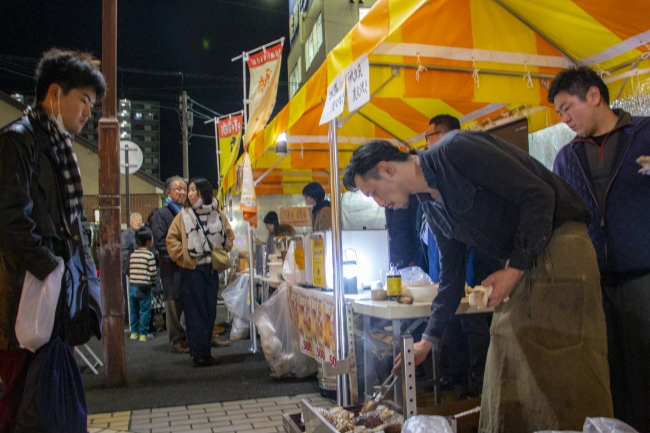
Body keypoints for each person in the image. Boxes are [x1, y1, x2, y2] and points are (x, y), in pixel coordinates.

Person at [343, 135, 612, 431]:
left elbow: (540, 196)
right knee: (507, 367)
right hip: (524, 260)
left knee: (567, 370)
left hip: (560, 247)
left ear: (387, 169)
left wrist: (513, 271)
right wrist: (428, 339)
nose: (382, 204)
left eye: (374, 193)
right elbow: (452, 275)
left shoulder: (456, 150)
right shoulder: (429, 203)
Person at [0, 48, 105, 432]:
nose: (88, 112)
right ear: (55, 93)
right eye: (84, 101)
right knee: (19, 404)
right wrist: (52, 268)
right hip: (23, 305)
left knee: (47, 404)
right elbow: (10, 220)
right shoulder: (18, 141)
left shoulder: (58, 147)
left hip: (55, 305)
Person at [549, 66, 650, 432]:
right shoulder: (565, 158)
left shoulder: (645, 134)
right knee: (607, 373)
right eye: (559, 113)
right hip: (595, 282)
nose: (565, 119)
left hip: (645, 276)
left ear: (594, 95)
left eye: (567, 107)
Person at [423, 114, 497, 398]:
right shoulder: (433, 177)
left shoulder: (464, 166)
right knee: (453, 321)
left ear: (444, 135)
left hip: (475, 264)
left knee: (474, 322)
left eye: (429, 136)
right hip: (448, 267)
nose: (426, 143)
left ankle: (478, 383)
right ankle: (457, 379)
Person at [166, 178, 235, 367]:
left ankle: (205, 351)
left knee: (209, 311)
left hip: (211, 269)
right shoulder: (183, 215)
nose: (189, 194)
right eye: (189, 190)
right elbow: (171, 240)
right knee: (194, 312)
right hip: (192, 270)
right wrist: (184, 256)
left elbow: (230, 234)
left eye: (193, 190)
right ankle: (198, 354)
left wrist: (223, 248)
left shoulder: (217, 214)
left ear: (204, 191)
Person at [152, 176, 190, 353]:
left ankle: (189, 338)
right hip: (172, 268)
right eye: (178, 189)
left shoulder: (189, 212)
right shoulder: (161, 214)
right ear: (168, 192)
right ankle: (176, 341)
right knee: (173, 305)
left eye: (184, 189)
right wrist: (179, 256)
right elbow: (160, 242)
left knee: (188, 302)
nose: (183, 192)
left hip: (189, 267)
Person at [128, 226, 157, 342]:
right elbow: (153, 272)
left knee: (133, 310)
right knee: (145, 310)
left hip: (132, 285)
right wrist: (153, 282)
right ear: (148, 241)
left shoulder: (133, 254)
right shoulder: (149, 255)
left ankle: (134, 332)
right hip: (144, 286)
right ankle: (144, 334)